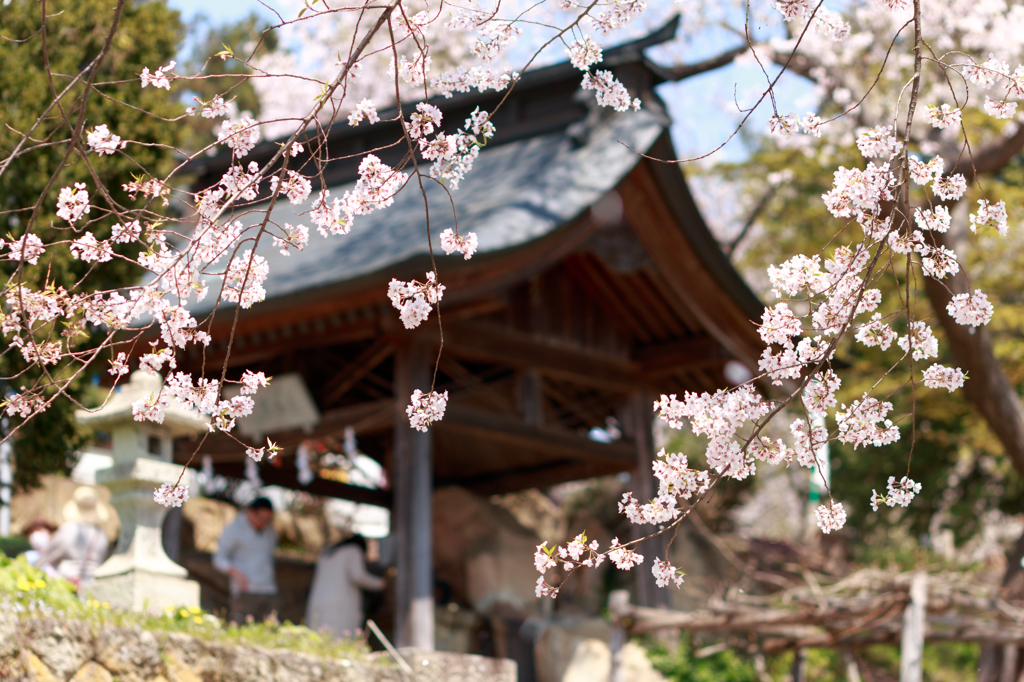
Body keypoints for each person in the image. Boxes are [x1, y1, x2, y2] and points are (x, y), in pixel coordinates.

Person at [305, 534, 386, 638]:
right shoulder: (353, 551)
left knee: (318, 635)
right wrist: (381, 584)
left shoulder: (327, 552)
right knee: (340, 636)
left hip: (318, 599)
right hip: (340, 602)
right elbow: (358, 576)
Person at [213, 497, 278, 623]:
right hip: (245, 591)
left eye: (267, 519)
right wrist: (237, 574)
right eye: (260, 518)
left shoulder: (270, 531)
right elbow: (219, 559)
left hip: (268, 589)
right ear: (250, 512)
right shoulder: (234, 529)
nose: (263, 522)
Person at [34, 487, 110, 587]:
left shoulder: (69, 529)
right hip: (92, 582)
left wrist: (34, 568)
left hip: (67, 581)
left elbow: (50, 554)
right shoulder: (100, 533)